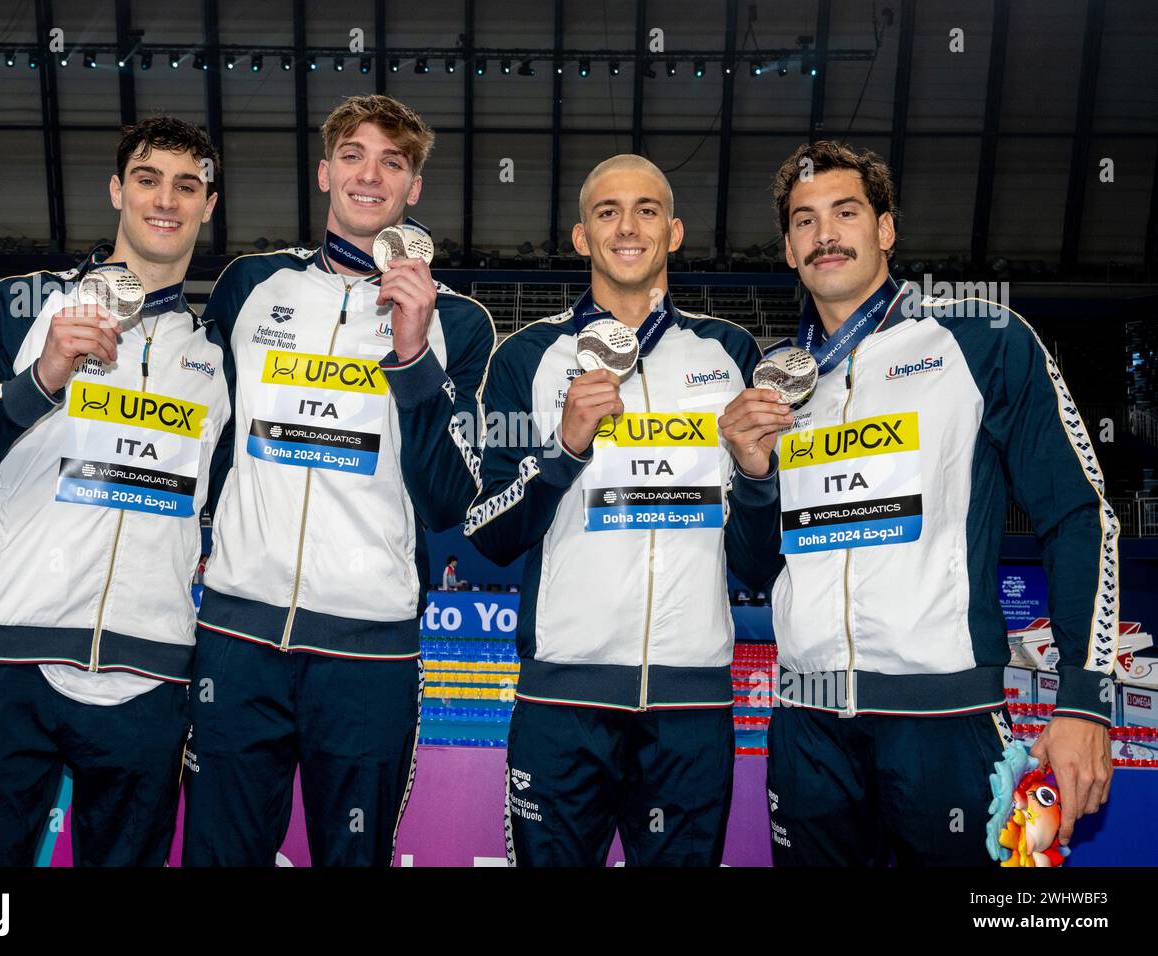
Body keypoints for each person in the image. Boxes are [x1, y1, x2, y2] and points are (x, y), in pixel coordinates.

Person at [0, 116, 231, 866]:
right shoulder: (19, 306)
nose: (164, 200)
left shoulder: (218, 357)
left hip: (150, 675)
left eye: (186, 185)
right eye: (146, 179)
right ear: (116, 190)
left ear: (208, 204)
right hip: (4, 666)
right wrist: (37, 384)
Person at [761, 140, 1116, 866]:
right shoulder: (772, 385)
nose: (826, 233)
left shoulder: (979, 337)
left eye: (846, 212)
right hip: (805, 729)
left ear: (886, 230)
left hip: (946, 724)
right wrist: (750, 474)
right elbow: (751, 554)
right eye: (805, 221)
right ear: (789, 249)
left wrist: (1083, 699)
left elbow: (1079, 513)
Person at [182, 94, 495, 867]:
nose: (371, 174)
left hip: (369, 649)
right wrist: (198, 535)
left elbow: (449, 496)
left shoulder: (461, 320)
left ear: (413, 189)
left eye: (394, 162)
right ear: (325, 172)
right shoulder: (249, 285)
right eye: (353, 154)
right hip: (237, 633)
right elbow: (210, 429)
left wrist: (414, 354)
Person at [465, 154, 782, 866]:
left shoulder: (729, 354)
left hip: (692, 706)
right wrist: (565, 449)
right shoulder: (529, 356)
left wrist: (760, 479)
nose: (627, 226)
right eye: (607, 212)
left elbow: (762, 561)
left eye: (646, 210)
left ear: (673, 232)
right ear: (582, 237)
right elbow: (490, 533)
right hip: (561, 705)